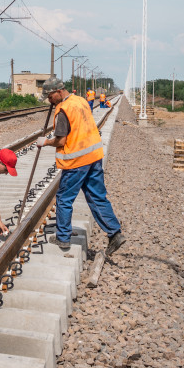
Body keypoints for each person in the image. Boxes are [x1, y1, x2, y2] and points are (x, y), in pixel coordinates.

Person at [37, 76, 125, 257]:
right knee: (97, 197)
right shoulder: (81, 101)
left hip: (76, 161)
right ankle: (115, 233)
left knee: (64, 198)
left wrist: (45, 142)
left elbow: (61, 140)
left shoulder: (63, 110)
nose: (48, 100)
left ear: (59, 92)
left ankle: (63, 237)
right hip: (93, 156)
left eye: (50, 96)